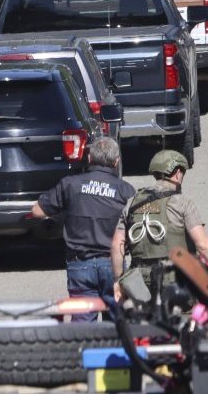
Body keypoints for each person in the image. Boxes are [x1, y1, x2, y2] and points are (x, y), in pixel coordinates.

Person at [31, 137, 135, 321]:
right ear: (116, 161)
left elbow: (37, 211)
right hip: (113, 266)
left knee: (83, 330)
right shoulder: (125, 191)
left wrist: (65, 213)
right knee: (118, 329)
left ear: (89, 159)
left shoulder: (70, 185)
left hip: (79, 265)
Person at [111, 150, 208, 304]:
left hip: (141, 284)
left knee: (145, 320)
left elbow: (117, 244)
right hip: (176, 281)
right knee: (185, 321)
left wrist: (119, 280)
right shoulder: (183, 203)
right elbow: (202, 245)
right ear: (178, 173)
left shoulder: (132, 203)